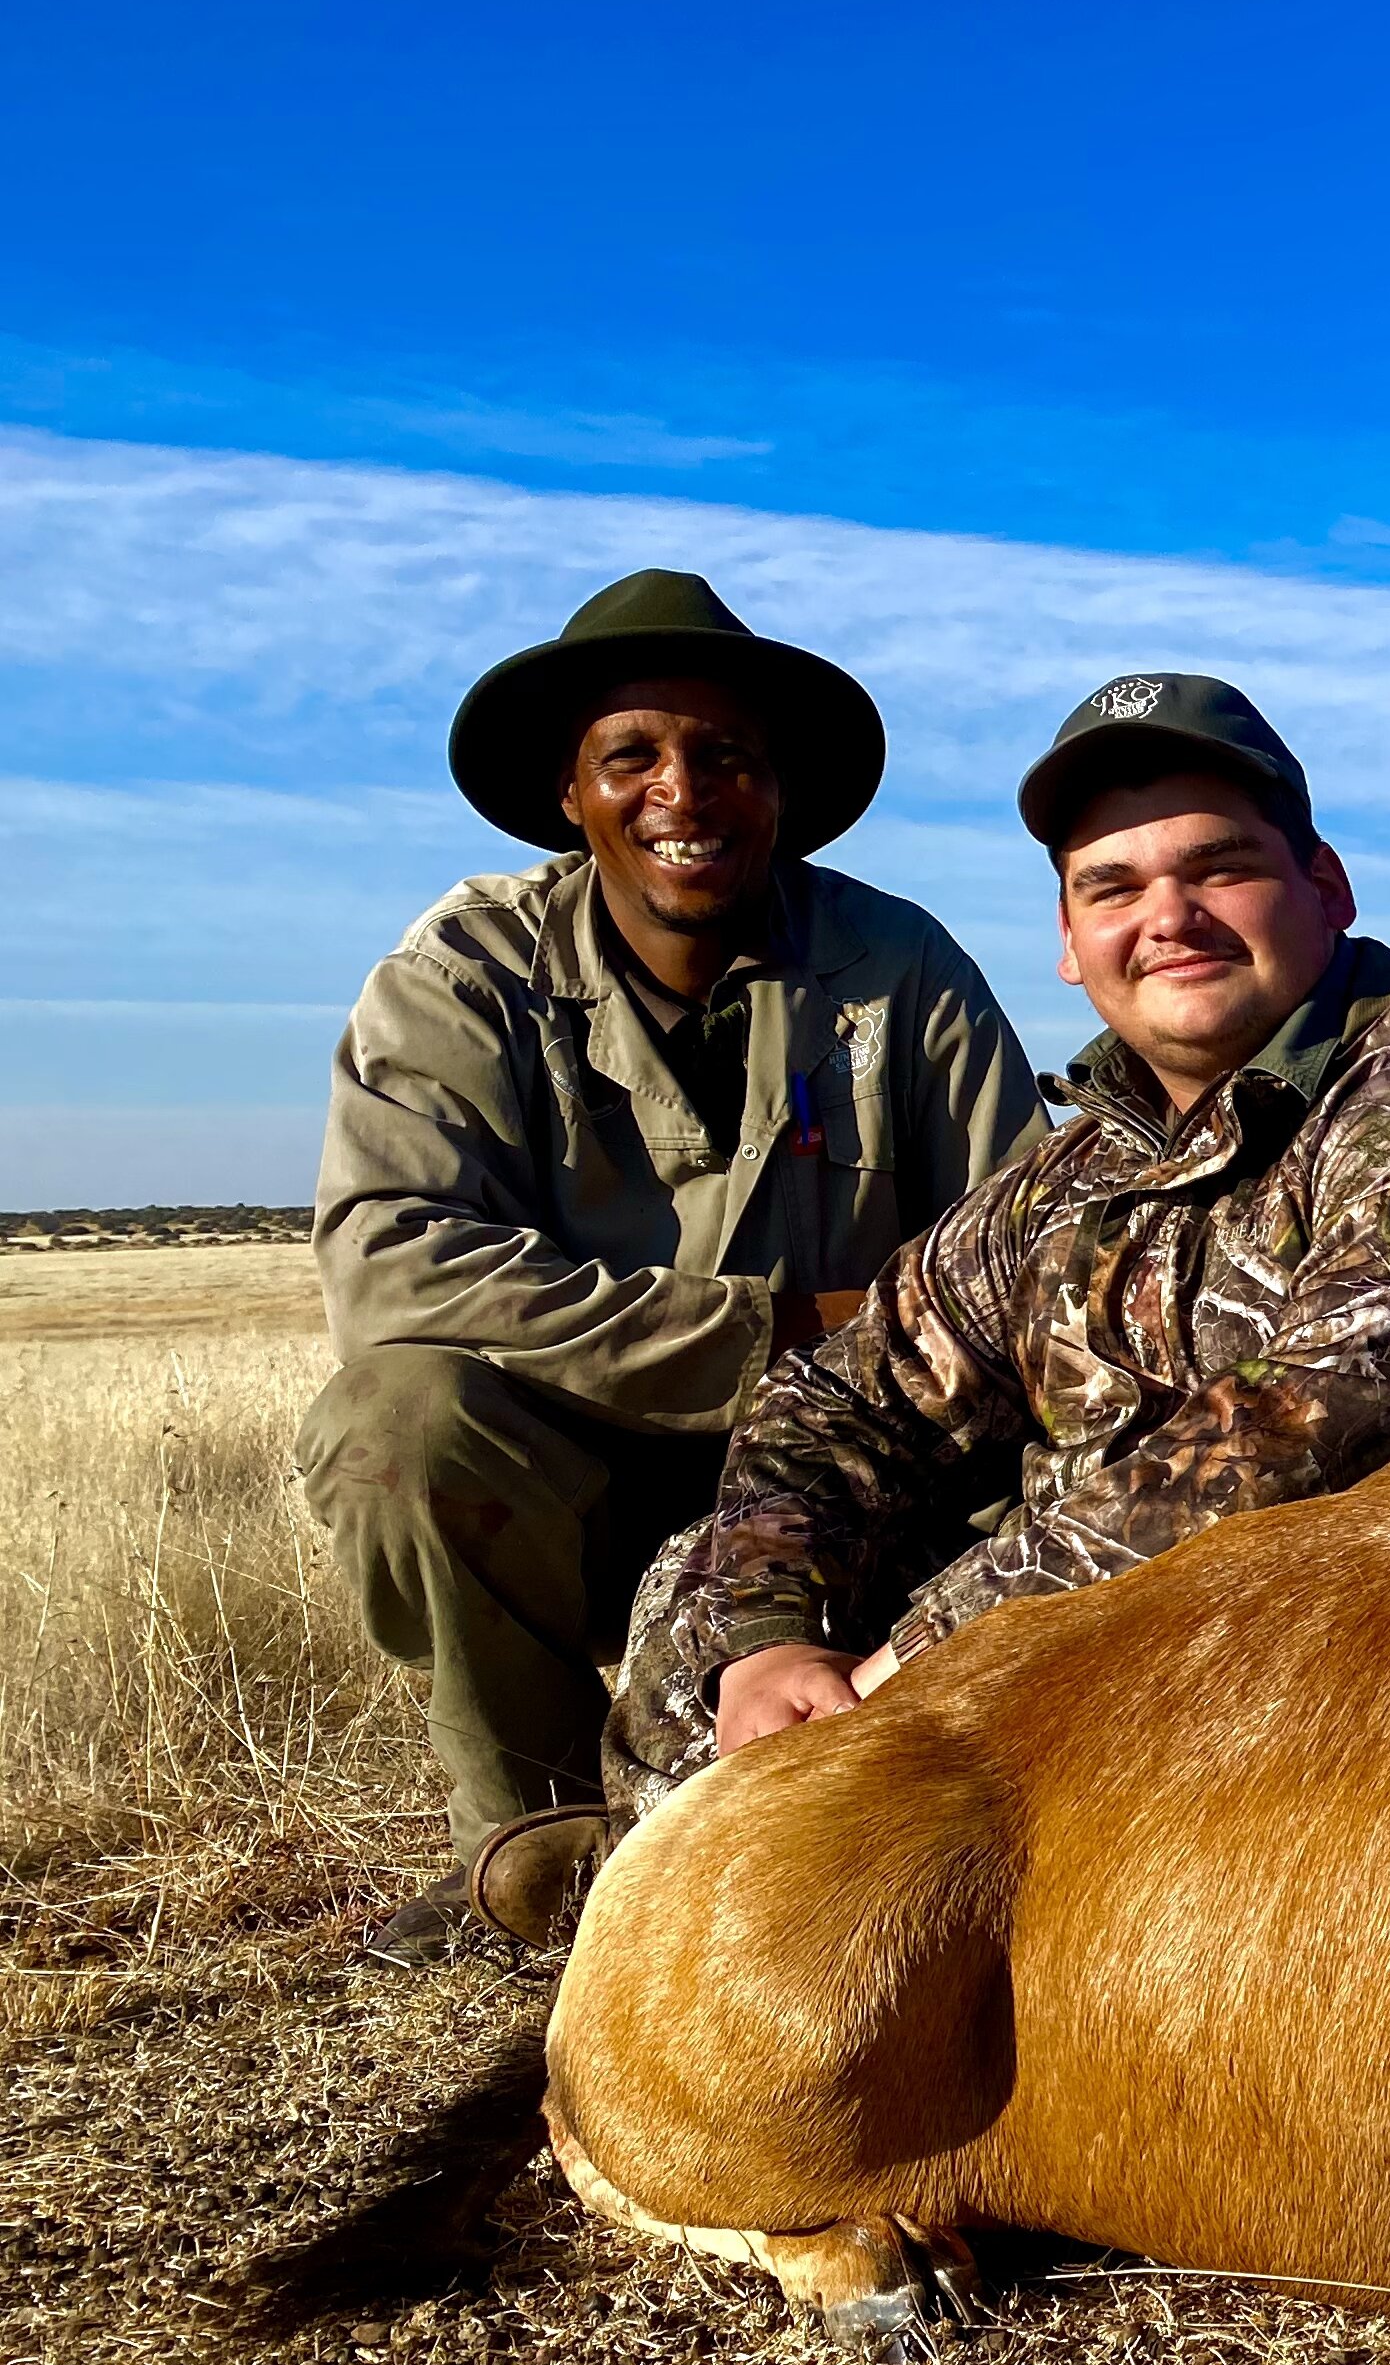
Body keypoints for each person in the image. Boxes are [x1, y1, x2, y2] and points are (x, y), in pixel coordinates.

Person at [479, 672, 1390, 1935]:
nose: (1169, 919)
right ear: (1067, 941)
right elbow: (842, 1396)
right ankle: (696, 1873)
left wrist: (906, 1671)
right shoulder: (1078, 1170)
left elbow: (1279, 1457)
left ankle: (724, 1890)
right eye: (1113, 888)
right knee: (714, 1584)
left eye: (1218, 870)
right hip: (1104, 1692)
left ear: (1325, 888)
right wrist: (774, 1648)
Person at [302, 570, 1041, 1957]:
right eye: (631, 756)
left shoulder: (901, 966)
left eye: (725, 757)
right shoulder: (461, 970)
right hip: (574, 1487)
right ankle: (534, 1856)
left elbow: (1027, 1253)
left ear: (780, 790)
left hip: (854, 1494)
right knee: (392, 1422)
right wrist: (783, 1332)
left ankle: (904, 1815)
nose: (682, 793)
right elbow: (394, 1274)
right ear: (568, 795)